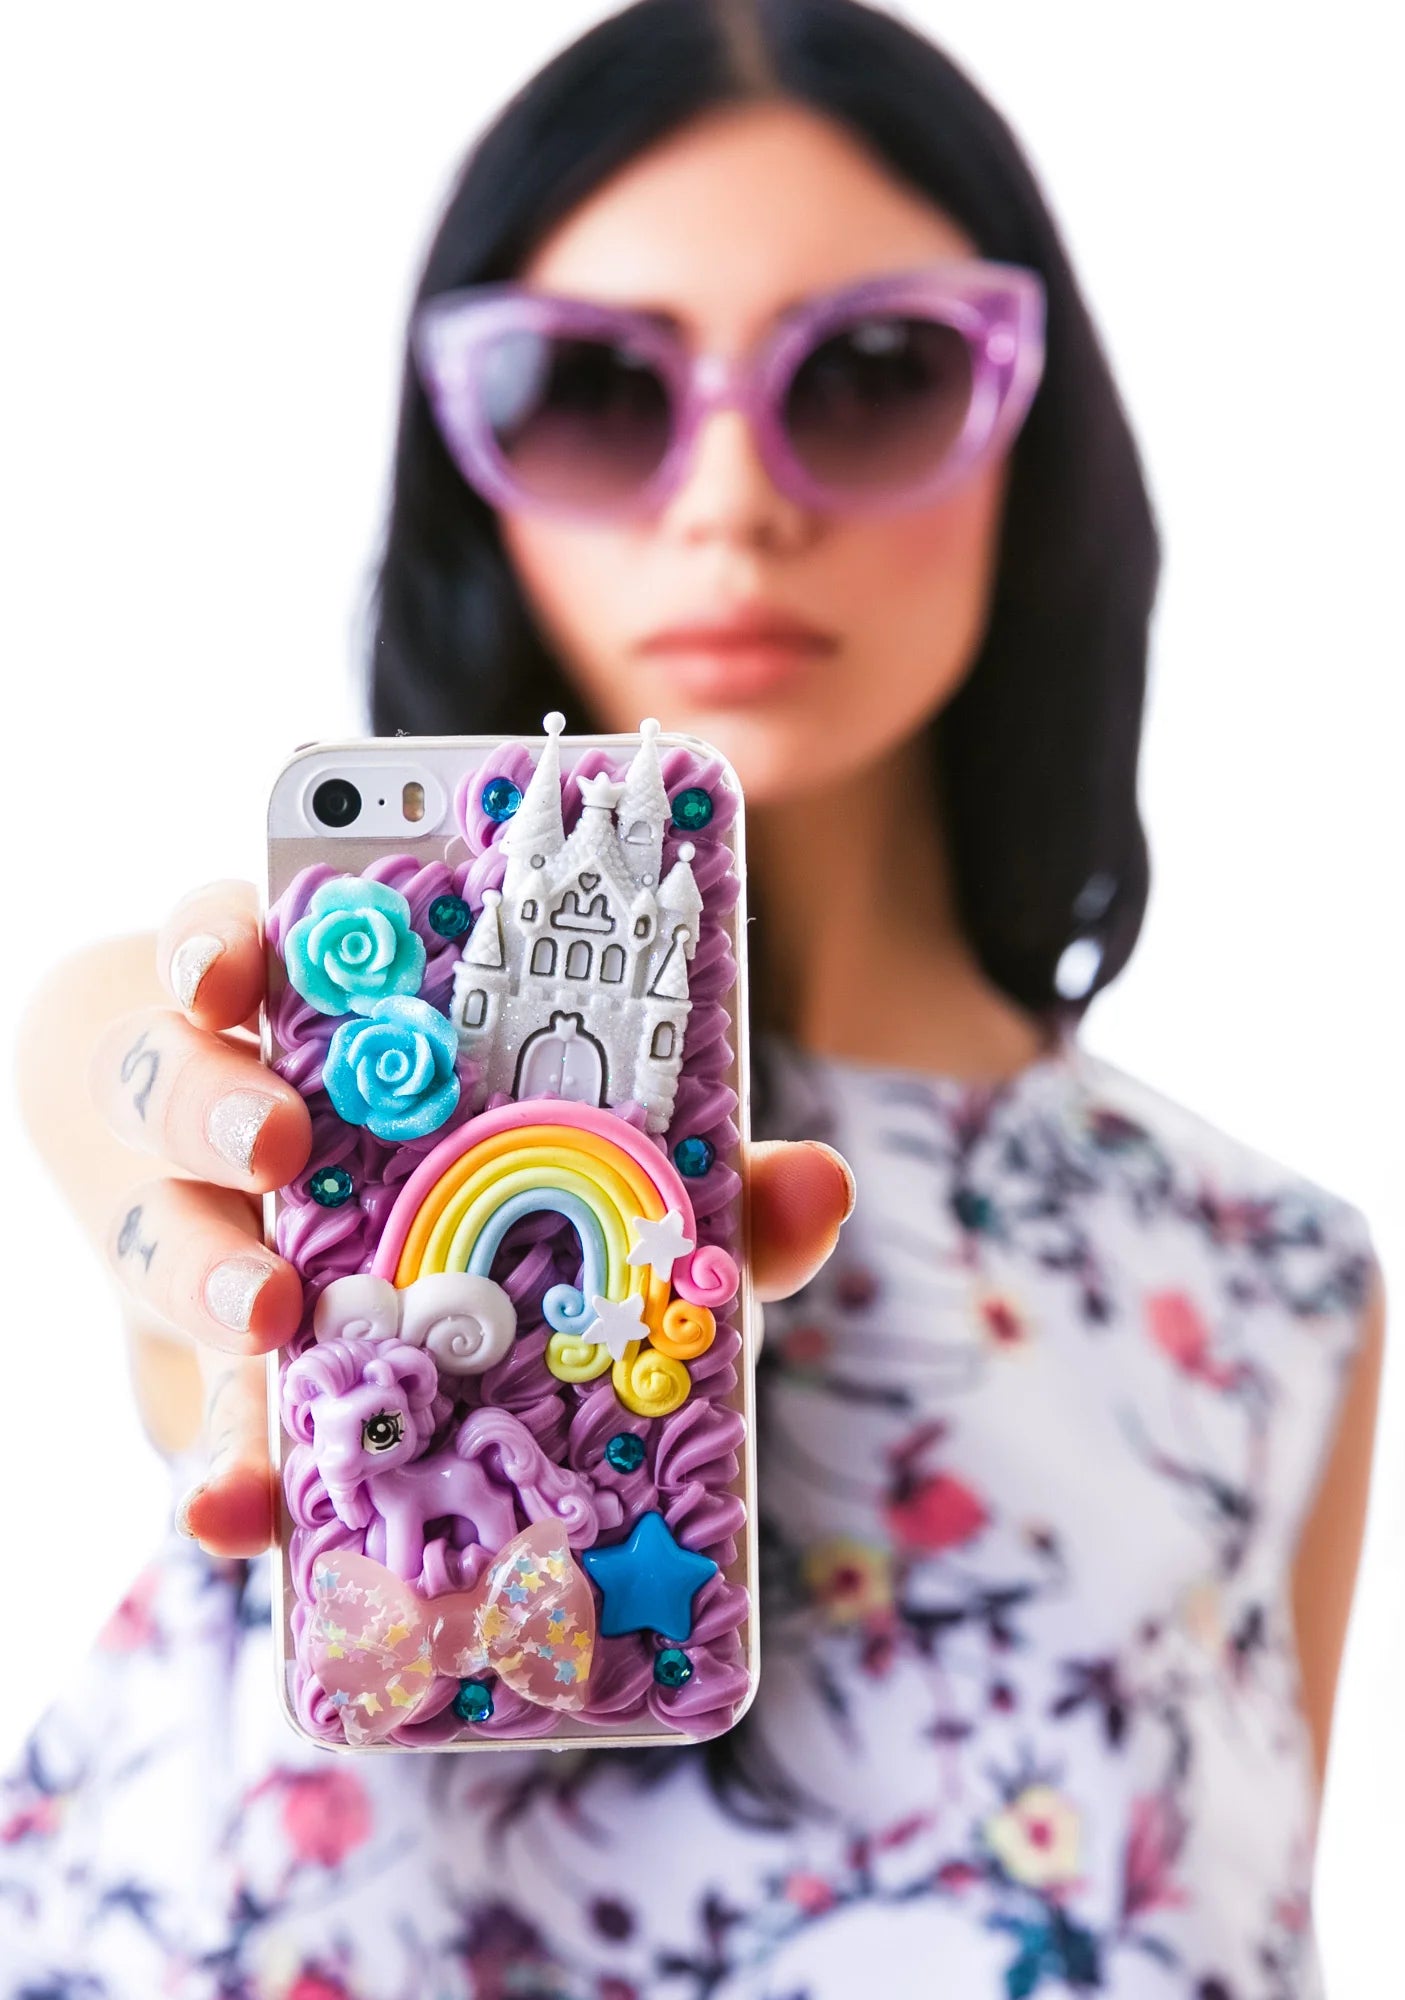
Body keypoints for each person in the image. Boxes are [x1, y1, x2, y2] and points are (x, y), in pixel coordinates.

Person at [1, 1, 1385, 1994]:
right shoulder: (273, 1059)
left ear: (1032, 432)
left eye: (877, 376)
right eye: (589, 389)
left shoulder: (1276, 1287)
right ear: (470, 467)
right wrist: (165, 1182)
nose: (732, 500)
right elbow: (179, 1262)